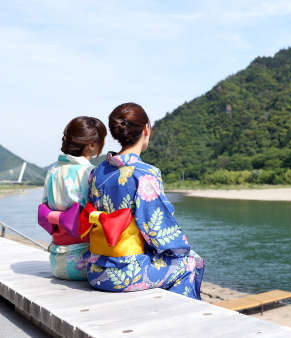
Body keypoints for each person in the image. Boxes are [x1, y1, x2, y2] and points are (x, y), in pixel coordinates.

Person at [83, 102, 204, 299]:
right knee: (192, 262)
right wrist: (180, 248)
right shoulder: (145, 173)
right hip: (124, 272)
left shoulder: (97, 173)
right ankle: (177, 320)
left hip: (96, 269)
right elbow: (158, 229)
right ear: (146, 129)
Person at [39, 116, 107, 280]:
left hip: (57, 264)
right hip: (86, 264)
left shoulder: (52, 171)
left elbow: (45, 208)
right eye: (102, 140)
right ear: (91, 144)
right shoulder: (91, 173)